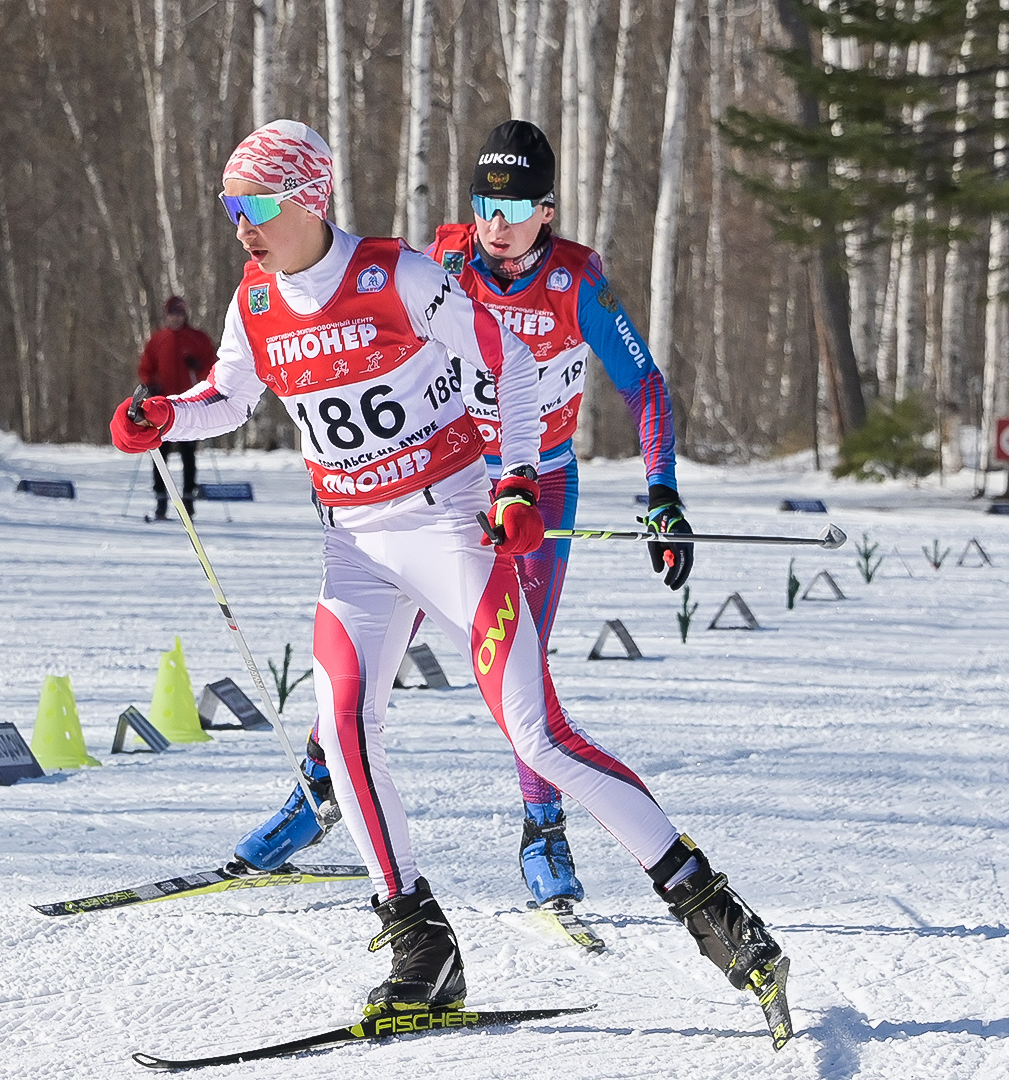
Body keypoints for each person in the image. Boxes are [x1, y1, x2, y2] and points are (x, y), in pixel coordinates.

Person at [110, 119, 784, 1030]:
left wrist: (512, 480)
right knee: (345, 728)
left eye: (258, 205)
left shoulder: (400, 276)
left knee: (537, 735)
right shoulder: (254, 300)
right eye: (233, 207)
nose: (242, 225)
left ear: (311, 200)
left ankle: (710, 907)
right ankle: (421, 945)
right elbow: (230, 396)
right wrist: (162, 417)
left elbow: (503, 365)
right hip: (353, 546)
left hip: (449, 526)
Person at [230, 120, 695, 918]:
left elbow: (644, 385)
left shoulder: (581, 281)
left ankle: (542, 827)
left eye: (516, 207)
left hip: (537, 485)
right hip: (447, 479)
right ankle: (318, 793)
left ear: (547, 211)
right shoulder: (440, 260)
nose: (497, 222)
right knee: (368, 645)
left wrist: (662, 491)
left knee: (523, 660)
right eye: (485, 202)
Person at [136, 296, 218, 519]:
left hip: (188, 405)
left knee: (188, 453)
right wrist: (149, 384)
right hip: (162, 405)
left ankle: (188, 501)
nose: (176, 318)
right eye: (173, 314)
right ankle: (161, 501)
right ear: (167, 315)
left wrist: (199, 367)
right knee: (160, 452)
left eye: (180, 314)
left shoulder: (197, 338)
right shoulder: (158, 339)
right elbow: (146, 367)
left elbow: (212, 369)